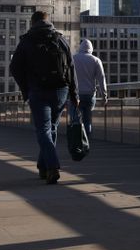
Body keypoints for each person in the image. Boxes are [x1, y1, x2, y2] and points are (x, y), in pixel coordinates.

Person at [10, 11, 78, 184]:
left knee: (43, 129)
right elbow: (71, 67)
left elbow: (14, 67)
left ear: (33, 23)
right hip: (60, 91)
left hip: (38, 90)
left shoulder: (27, 41)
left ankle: (52, 166)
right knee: (51, 128)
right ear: (49, 21)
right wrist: (74, 94)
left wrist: (26, 89)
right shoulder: (60, 39)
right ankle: (43, 167)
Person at [72, 38, 107, 143]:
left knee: (76, 119)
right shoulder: (96, 60)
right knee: (87, 120)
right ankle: (86, 142)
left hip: (76, 95)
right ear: (91, 49)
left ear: (81, 48)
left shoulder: (73, 58)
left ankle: (76, 142)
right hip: (90, 95)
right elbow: (101, 79)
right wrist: (104, 96)